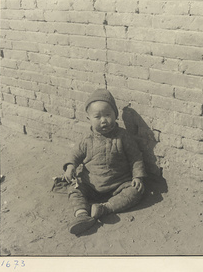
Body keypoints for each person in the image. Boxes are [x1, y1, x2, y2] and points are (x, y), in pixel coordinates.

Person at [63, 88, 147, 235]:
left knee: (136, 191)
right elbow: (75, 155)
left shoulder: (123, 137)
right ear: (89, 118)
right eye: (97, 117)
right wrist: (70, 167)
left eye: (108, 115)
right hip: (91, 185)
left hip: (118, 184)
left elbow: (136, 158)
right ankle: (82, 215)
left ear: (115, 114)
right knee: (74, 188)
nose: (103, 120)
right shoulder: (86, 140)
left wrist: (138, 177)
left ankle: (104, 208)